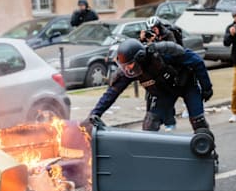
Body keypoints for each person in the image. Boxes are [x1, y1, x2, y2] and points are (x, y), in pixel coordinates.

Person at [85, 39, 213, 133]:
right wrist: (95, 114)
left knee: (198, 122)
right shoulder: (129, 71)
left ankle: (208, 153)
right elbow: (112, 92)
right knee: (149, 126)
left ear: (140, 57)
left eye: (130, 64)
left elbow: (197, 62)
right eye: (125, 66)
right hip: (164, 93)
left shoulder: (161, 55)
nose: (128, 69)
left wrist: (206, 87)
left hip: (186, 85)